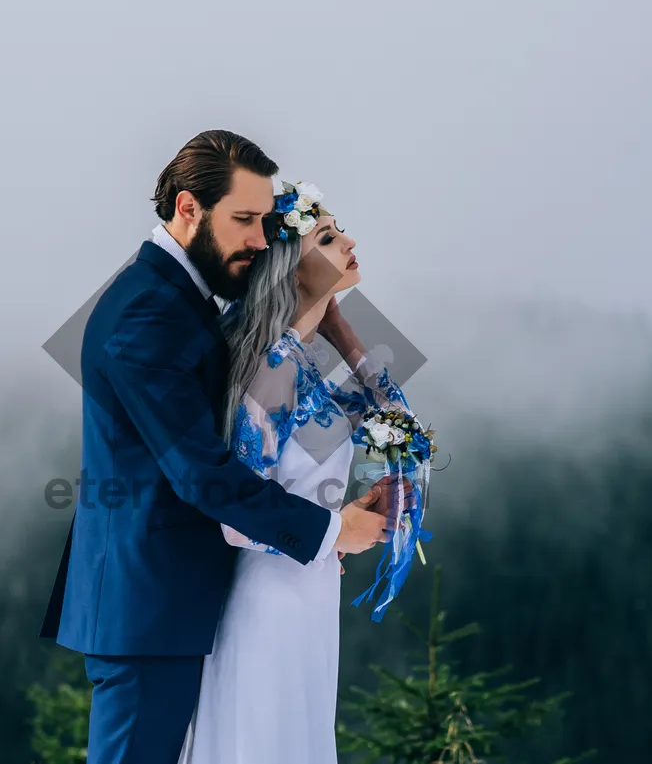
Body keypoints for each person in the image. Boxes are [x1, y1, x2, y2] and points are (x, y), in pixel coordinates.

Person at [39, 130, 399, 764]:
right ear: (187, 208)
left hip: (184, 600)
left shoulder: (183, 299)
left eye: (265, 223)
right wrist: (325, 531)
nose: (259, 241)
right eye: (245, 220)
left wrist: (329, 314)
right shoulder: (145, 311)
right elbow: (201, 473)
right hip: (149, 607)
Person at [176, 179, 419, 764]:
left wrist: (342, 331)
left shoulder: (302, 365)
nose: (350, 242)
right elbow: (235, 519)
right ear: (291, 266)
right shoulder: (274, 367)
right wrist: (340, 530)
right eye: (330, 237)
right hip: (270, 607)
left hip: (307, 600)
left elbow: (401, 428)